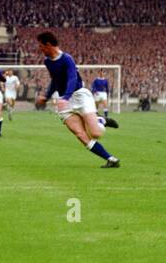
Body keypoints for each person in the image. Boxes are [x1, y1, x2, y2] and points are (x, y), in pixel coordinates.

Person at [34, 31, 119, 168]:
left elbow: (72, 78)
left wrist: (66, 97)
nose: (40, 49)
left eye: (40, 46)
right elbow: (55, 80)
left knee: (96, 133)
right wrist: (47, 96)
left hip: (79, 96)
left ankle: (101, 120)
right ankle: (111, 159)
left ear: (48, 45)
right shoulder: (47, 62)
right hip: (64, 101)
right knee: (80, 135)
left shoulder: (67, 59)